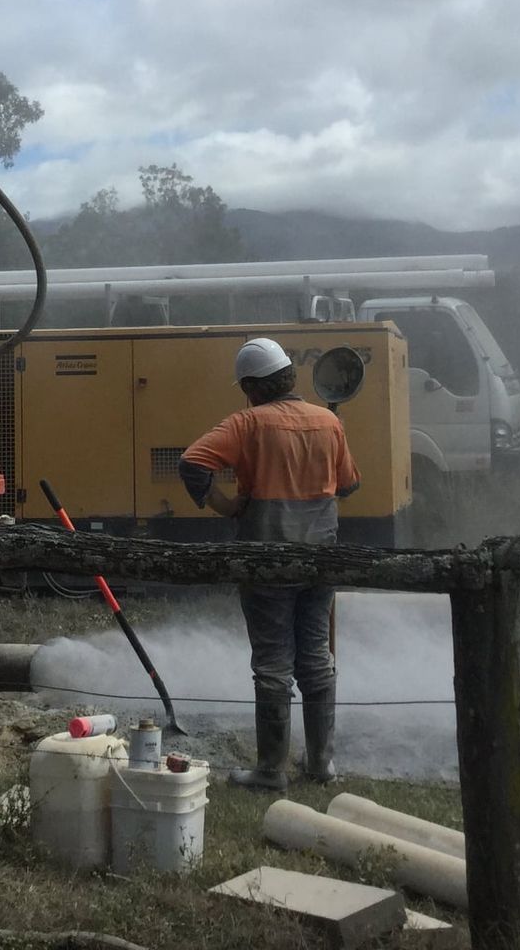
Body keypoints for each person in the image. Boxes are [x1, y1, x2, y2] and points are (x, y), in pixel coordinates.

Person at [178, 336, 360, 790]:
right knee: (317, 657)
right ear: (290, 377)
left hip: (266, 557)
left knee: (273, 663)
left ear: (253, 387)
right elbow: (349, 486)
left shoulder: (247, 423)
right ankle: (321, 765)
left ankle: (270, 771)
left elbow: (192, 462)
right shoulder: (327, 420)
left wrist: (225, 505)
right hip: (321, 558)